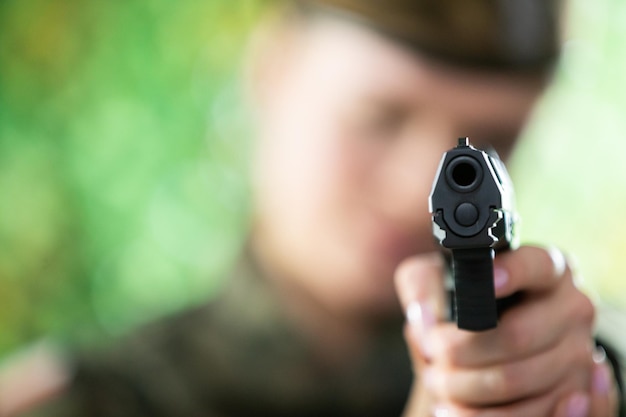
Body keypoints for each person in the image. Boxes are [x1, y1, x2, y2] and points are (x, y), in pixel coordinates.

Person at [1, 0, 623, 416]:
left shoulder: (581, 375)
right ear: (272, 71)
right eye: (378, 118)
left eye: (489, 143)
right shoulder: (78, 403)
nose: (419, 191)